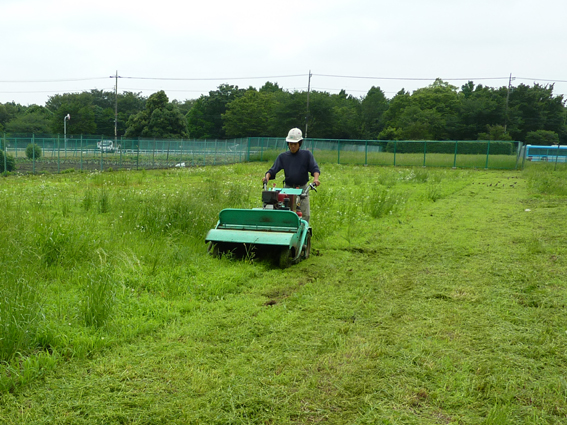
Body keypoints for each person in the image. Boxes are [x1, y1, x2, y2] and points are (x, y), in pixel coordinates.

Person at [262, 128, 320, 222]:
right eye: (290, 143)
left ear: (299, 143)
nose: (292, 146)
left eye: (295, 144)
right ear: (288, 143)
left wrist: (316, 179)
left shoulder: (306, 155)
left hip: (302, 189)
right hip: (288, 189)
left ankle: (303, 234)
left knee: (305, 215)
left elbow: (315, 169)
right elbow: (273, 170)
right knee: (287, 213)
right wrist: (266, 177)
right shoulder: (283, 157)